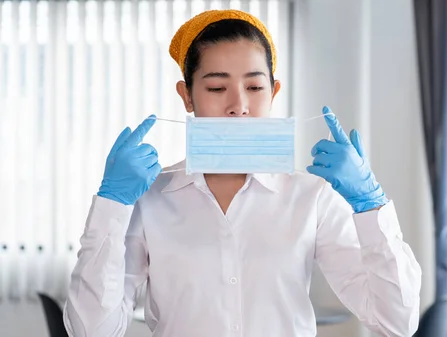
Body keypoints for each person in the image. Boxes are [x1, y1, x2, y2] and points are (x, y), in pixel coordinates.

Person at [63, 9, 421, 337]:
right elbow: (92, 331)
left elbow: (395, 323)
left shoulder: (311, 196)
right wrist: (111, 205)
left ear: (274, 91)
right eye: (217, 88)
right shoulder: (148, 197)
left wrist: (370, 205)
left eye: (254, 87)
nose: (239, 106)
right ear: (187, 96)